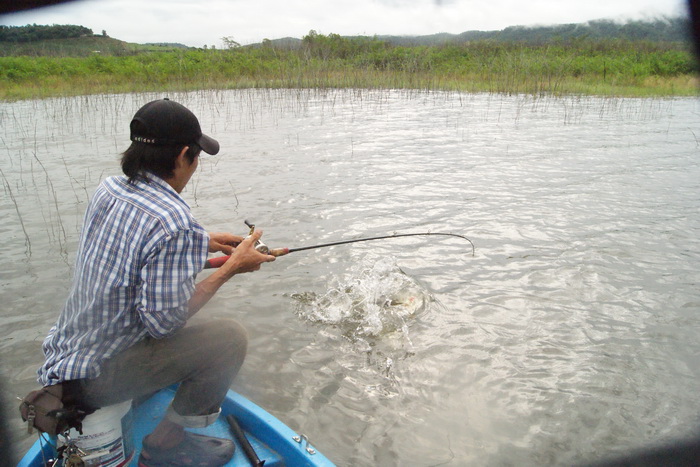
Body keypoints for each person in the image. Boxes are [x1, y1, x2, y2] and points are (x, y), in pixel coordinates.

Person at [36, 98, 275, 466]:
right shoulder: (173, 222)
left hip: (64, 360)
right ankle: (164, 442)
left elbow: (134, 252)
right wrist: (231, 268)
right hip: (97, 377)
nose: (195, 165)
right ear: (183, 156)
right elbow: (164, 323)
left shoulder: (110, 189)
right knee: (229, 339)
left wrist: (202, 240)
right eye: (196, 157)